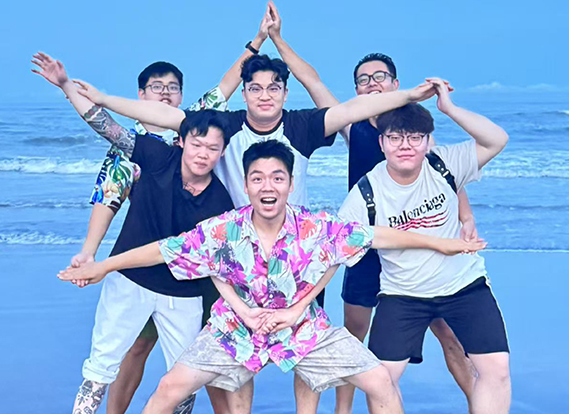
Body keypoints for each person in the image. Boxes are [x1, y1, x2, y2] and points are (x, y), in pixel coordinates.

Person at [58, 140, 486, 414]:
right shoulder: (222, 229)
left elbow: (377, 235)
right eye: (258, 178)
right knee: (170, 387)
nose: (268, 186)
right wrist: (102, 266)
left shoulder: (315, 227)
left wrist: (442, 243)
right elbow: (163, 249)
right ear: (246, 185)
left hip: (302, 329)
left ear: (289, 184)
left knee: (379, 381)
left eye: (277, 178)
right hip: (234, 330)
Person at [31, 13, 274, 411]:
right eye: (197, 145)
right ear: (183, 140)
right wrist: (66, 85)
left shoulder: (219, 200)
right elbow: (105, 130)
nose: (203, 153)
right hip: (129, 279)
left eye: (213, 149)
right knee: (101, 369)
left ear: (222, 151)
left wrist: (258, 41)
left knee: (185, 382)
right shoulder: (153, 153)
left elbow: (226, 86)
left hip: (184, 293)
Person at [262, 3, 478, 410]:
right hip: (366, 245)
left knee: (448, 334)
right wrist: (277, 39)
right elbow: (312, 80)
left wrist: (465, 218)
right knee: (352, 336)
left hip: (417, 245)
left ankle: (478, 403)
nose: (372, 83)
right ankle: (343, 410)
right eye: (363, 80)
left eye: (380, 76)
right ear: (358, 92)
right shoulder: (352, 124)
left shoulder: (415, 130)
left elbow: (448, 176)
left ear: (395, 83)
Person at [338, 79, 510, 414]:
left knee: (496, 369)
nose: (405, 146)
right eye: (395, 138)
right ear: (382, 143)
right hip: (401, 294)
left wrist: (449, 108)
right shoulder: (367, 191)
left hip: (463, 286)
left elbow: (497, 139)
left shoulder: (444, 163)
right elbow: (342, 240)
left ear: (428, 141)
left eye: (415, 137)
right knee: (382, 380)